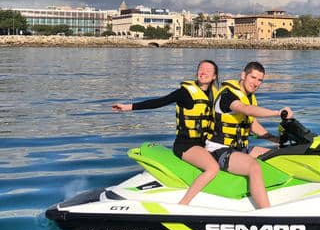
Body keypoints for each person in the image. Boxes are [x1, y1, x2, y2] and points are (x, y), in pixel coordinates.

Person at [111, 60, 221, 206]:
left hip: (206, 144)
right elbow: (160, 102)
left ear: (214, 76)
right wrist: (128, 107)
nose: (203, 72)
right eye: (201, 68)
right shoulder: (185, 92)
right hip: (186, 145)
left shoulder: (215, 95)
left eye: (208, 70)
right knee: (213, 168)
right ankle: (184, 204)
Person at [207, 61, 292, 209]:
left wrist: (274, 139)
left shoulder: (249, 96)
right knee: (253, 166)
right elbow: (245, 109)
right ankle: (266, 213)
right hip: (219, 150)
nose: (256, 83)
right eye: (253, 78)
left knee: (279, 156)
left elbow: (252, 124)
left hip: (240, 149)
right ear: (243, 75)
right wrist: (277, 113)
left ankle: (283, 195)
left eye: (260, 80)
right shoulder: (228, 95)